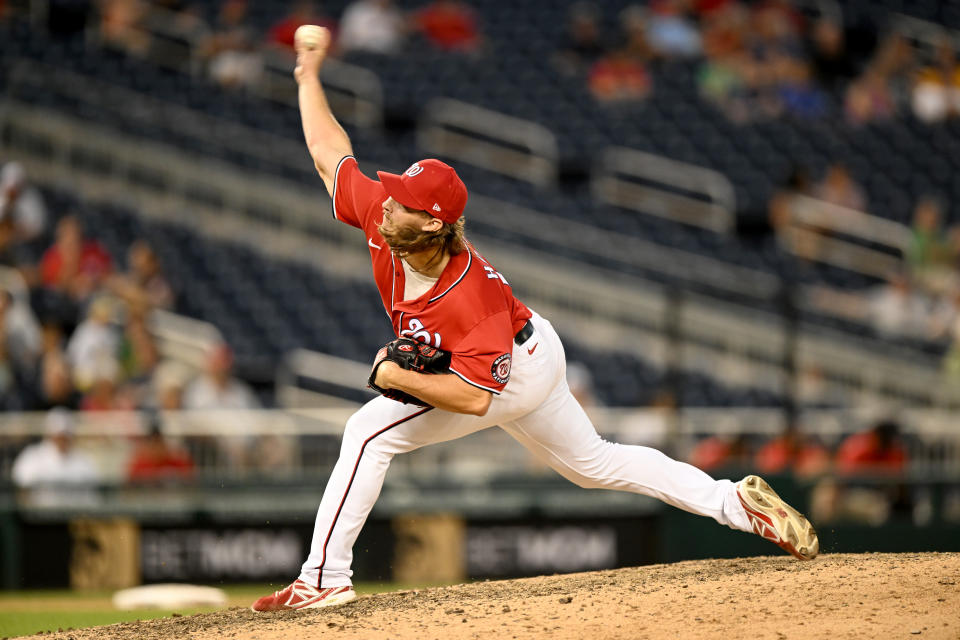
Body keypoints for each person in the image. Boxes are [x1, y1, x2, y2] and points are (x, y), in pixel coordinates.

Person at [250, 26, 820, 612]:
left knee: (367, 432)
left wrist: (397, 379)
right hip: (530, 345)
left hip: (506, 370)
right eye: (391, 193)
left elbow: (474, 400)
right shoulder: (386, 221)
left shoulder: (466, 295)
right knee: (594, 464)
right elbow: (329, 153)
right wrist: (309, 78)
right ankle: (735, 504)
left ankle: (324, 579)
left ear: (431, 225)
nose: (386, 200)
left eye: (401, 200)